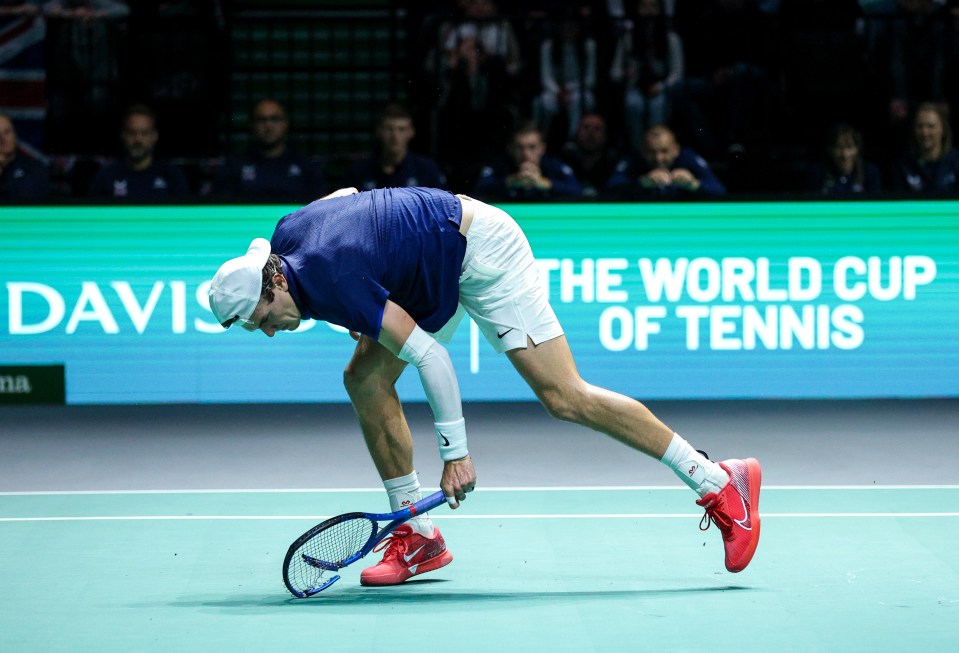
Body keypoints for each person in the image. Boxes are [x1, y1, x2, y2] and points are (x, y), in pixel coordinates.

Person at [208, 185, 763, 587]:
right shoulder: (287, 237)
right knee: (363, 379)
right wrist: (382, 276)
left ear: (276, 279)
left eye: (263, 318)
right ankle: (419, 536)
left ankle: (718, 481)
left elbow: (433, 358)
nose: (269, 332)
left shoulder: (336, 277)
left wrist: (458, 456)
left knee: (563, 396)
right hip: (427, 272)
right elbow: (347, 195)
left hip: (481, 250)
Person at [610, 0, 685, 154]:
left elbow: (677, 74)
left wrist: (661, 86)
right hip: (635, 86)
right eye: (644, 6)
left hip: (660, 87)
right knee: (633, 104)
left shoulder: (671, 39)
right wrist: (625, 75)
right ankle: (638, 151)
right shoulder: (628, 38)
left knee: (657, 106)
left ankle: (658, 150)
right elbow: (615, 72)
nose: (649, 12)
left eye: (653, 7)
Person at [214, 98, 326, 201]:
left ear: (285, 123)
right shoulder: (233, 166)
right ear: (252, 125)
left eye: (275, 119)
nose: (268, 126)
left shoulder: (306, 166)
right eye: (261, 120)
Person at [87, 103, 191, 199]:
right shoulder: (106, 176)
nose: (138, 139)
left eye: (144, 133)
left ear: (154, 136)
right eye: (132, 133)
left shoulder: (172, 176)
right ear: (123, 135)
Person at [345, 103, 447, 191]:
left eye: (401, 129)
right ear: (379, 131)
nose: (395, 136)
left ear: (411, 132)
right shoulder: (359, 171)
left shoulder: (426, 170)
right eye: (389, 129)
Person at [607, 123, 725, 197]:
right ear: (642, 151)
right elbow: (610, 190)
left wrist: (693, 184)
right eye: (651, 152)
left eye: (664, 151)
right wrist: (641, 183)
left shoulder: (688, 158)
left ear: (676, 150)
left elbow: (720, 191)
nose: (658, 158)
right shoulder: (633, 160)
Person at [474, 122, 583, 199]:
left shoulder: (553, 165)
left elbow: (578, 192)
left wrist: (545, 184)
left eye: (532, 147)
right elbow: (477, 191)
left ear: (542, 149)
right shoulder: (499, 166)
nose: (526, 154)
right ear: (510, 149)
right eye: (519, 148)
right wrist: (510, 182)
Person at [889, 102, 959, 193]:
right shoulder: (903, 167)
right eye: (920, 126)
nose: (925, 133)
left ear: (943, 129)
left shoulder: (956, 163)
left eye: (931, 126)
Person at [805, 123, 882, 195]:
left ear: (857, 149)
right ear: (830, 149)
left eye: (849, 147)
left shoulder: (870, 172)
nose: (844, 154)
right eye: (839, 147)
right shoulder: (817, 173)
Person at [560, 113, 620, 197]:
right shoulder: (563, 161)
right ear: (576, 132)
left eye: (597, 129)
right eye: (586, 127)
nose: (591, 133)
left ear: (605, 135)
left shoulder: (615, 164)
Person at [0, 111, 50, 200]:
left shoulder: (35, 169)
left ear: (15, 135)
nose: (3, 139)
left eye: (7, 132)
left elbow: (28, 199)